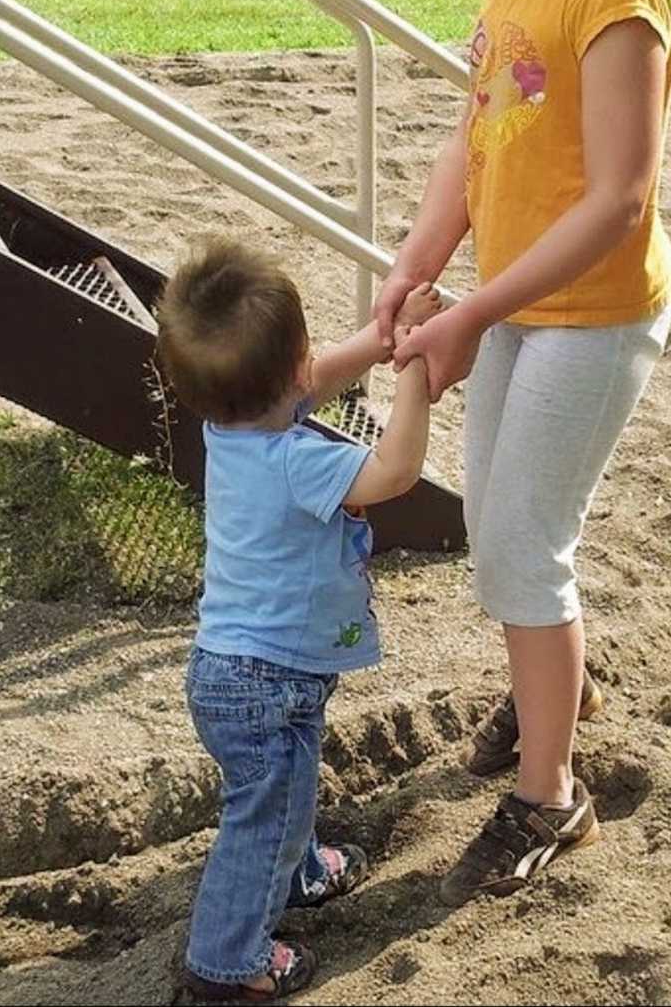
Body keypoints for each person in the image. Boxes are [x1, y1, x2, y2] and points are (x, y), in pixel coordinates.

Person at [375, 0, 671, 907]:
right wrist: (420, 265)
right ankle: (553, 693)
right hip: (518, 305)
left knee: (523, 545)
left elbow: (619, 199)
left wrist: (467, 314)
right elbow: (478, 136)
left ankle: (550, 795)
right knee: (498, 539)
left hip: (598, 313)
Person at [156, 235, 437, 1003]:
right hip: (268, 681)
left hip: (236, 670)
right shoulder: (295, 462)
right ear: (294, 369)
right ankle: (225, 963)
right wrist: (412, 370)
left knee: (286, 792)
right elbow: (397, 470)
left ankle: (303, 869)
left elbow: (307, 381)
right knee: (266, 809)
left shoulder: (230, 430)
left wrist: (380, 342)